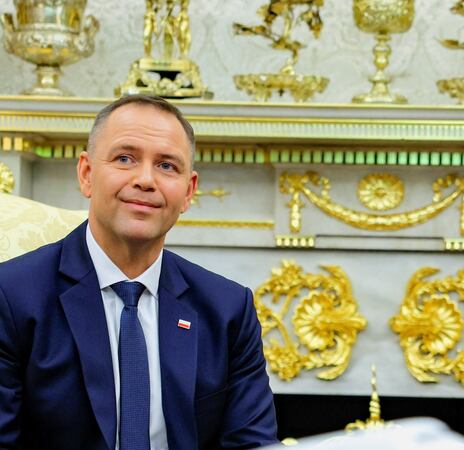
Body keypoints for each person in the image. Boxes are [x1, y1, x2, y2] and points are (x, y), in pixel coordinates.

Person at [0, 95, 279, 449]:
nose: (146, 180)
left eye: (167, 166)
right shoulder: (12, 297)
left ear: (189, 191)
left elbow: (253, 443)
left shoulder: (227, 310)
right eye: (125, 159)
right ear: (87, 174)